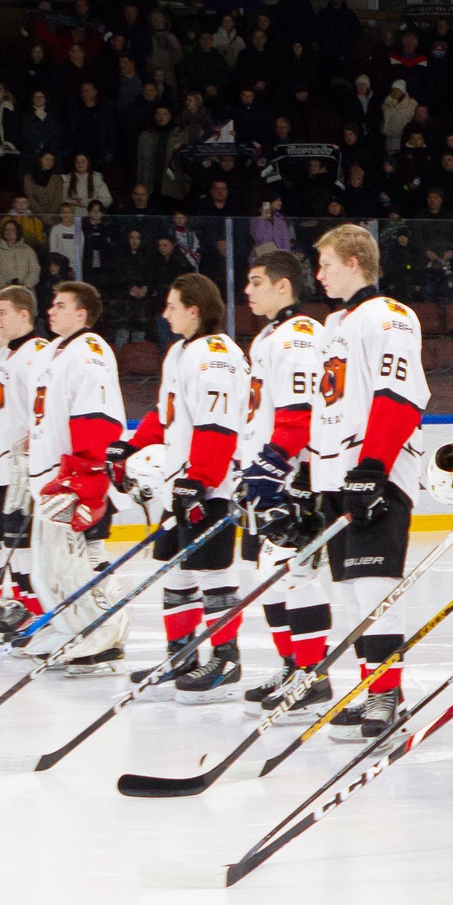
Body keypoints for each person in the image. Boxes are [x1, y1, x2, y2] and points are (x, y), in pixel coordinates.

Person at [306, 225, 430, 741]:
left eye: (327, 264)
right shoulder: (336, 322)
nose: (319, 274)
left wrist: (373, 466)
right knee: (353, 594)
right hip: (340, 472)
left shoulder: (389, 316)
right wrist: (309, 474)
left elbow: (399, 395)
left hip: (375, 471)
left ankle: (386, 694)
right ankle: (373, 686)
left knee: (377, 587)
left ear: (355, 262)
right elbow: (326, 406)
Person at [119, 272, 251, 703]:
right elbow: (165, 415)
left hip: (208, 485)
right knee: (175, 570)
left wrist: (201, 479)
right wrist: (127, 447)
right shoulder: (179, 351)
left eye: (172, 306)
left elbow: (218, 425)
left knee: (214, 572)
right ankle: (182, 656)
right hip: (181, 483)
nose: (165, 313)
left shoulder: (216, 354)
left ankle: (225, 659)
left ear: (194, 310)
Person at [233, 249, 335, 713]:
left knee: (297, 576)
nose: (247, 290)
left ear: (283, 286)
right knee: (268, 576)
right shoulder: (270, 336)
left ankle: (313, 675)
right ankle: (293, 664)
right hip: (269, 472)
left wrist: (275, 466)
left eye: (256, 281)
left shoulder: (299, 336)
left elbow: (302, 415)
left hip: (296, 476)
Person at [27, 281, 128, 675]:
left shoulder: (90, 350)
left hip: (74, 476)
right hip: (49, 476)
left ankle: (103, 635)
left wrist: (86, 476)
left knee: (82, 560)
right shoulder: (55, 350)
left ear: (82, 314)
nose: (51, 311)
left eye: (61, 305)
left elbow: (95, 419)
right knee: (51, 567)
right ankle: (71, 627)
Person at [0, 286, 49, 634]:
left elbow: (40, 410)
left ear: (23, 315)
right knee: (10, 541)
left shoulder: (36, 352)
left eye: (1, 312)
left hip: (22, 467)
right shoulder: (5, 355)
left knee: (26, 540)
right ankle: (22, 604)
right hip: (0, 464)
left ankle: (37, 610)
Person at [0, 220, 40, 293]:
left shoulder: (28, 250)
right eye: (6, 230)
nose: (9, 232)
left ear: (18, 231)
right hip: (3, 292)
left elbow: (35, 270)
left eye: (12, 229)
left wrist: (25, 285)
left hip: (25, 292)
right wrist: (5, 286)